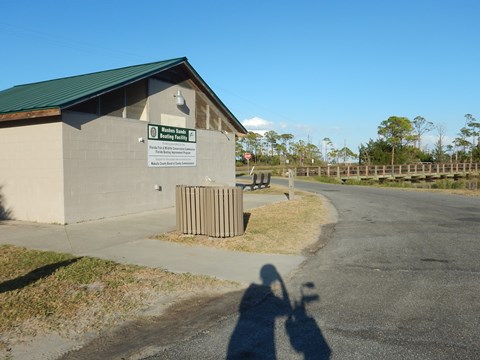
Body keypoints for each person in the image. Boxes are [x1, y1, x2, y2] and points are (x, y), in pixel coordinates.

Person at [226, 264, 291, 359]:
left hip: (240, 333)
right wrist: (281, 281)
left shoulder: (251, 290)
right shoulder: (258, 290)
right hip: (261, 337)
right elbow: (285, 309)